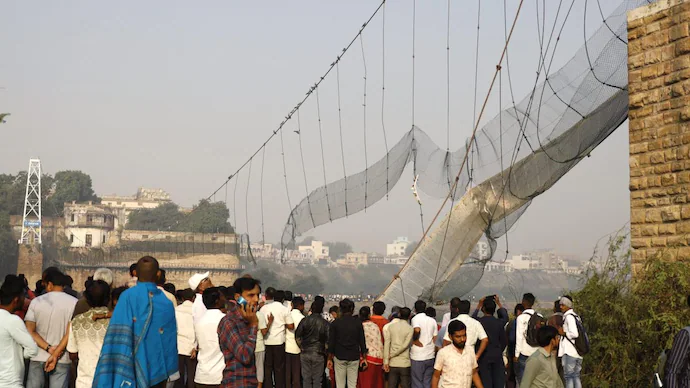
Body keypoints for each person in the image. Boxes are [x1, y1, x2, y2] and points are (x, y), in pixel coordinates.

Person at [92, 256, 178, 388]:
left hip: (128, 369)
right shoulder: (166, 302)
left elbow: (116, 336)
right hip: (158, 371)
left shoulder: (127, 297)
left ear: (136, 273)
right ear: (158, 274)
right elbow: (169, 343)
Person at [25, 269, 77, 388]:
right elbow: (70, 332)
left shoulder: (36, 302)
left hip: (38, 355)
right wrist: (57, 352)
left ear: (49, 284)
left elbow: (29, 330)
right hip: (62, 357)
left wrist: (48, 348)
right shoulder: (74, 303)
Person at [62, 280, 111, 388]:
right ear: (108, 298)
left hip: (84, 381)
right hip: (109, 380)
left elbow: (72, 353)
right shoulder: (116, 322)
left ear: (87, 299)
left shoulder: (77, 321)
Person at [218, 276, 262, 388]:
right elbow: (244, 356)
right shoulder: (229, 322)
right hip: (235, 382)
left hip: (250, 381)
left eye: (258, 295)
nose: (256, 300)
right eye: (251, 295)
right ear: (238, 297)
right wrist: (253, 326)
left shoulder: (249, 319)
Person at [0, 274, 38, 388]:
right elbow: (32, 349)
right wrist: (19, 354)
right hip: (10, 382)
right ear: (16, 300)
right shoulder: (12, 320)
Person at [258, 287, 294, 388]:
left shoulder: (264, 308)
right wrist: (283, 323)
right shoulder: (284, 309)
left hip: (267, 341)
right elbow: (291, 326)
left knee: (267, 368)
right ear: (283, 300)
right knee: (279, 369)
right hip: (279, 342)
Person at [432, 320, 484, 388]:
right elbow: (436, 376)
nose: (462, 339)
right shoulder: (443, 353)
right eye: (458, 337)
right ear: (450, 337)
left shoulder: (470, 351)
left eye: (464, 335)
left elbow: (474, 373)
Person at [328, 298, 367, 388]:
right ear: (352, 309)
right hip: (354, 356)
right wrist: (364, 357)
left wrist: (329, 358)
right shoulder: (357, 323)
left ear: (340, 310)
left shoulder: (335, 323)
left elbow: (331, 343)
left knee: (340, 384)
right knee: (352, 384)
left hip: (339, 356)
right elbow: (362, 341)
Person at [471, 297, 508, 388]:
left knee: (486, 382)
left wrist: (479, 305)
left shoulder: (479, 322)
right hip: (496, 355)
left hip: (483, 356)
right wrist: (499, 303)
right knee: (498, 382)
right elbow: (505, 318)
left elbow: (473, 318)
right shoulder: (499, 322)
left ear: (483, 309)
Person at [194, 288, 227, 388]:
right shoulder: (224, 320)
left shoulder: (199, 321)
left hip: (201, 375)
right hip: (219, 376)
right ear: (217, 301)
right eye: (221, 296)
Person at [295, 296, 329, 388]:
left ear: (311, 309)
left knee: (306, 379)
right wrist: (324, 351)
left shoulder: (304, 320)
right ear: (321, 310)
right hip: (318, 353)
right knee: (318, 380)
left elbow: (297, 336)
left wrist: (302, 347)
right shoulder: (325, 323)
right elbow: (328, 340)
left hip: (305, 352)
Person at [383, 307, 413, 388]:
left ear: (399, 314)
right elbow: (405, 345)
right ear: (409, 316)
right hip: (404, 362)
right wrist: (392, 354)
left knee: (391, 385)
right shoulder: (410, 329)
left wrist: (386, 360)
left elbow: (387, 344)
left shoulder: (391, 327)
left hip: (392, 362)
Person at [410, 300, 438, 388]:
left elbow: (417, 330)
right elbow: (435, 338)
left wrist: (415, 340)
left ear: (415, 309)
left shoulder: (415, 319)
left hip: (418, 356)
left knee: (417, 382)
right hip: (430, 355)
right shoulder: (432, 320)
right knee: (427, 382)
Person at [515, 293, 541, 383]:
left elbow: (519, 337)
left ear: (523, 302)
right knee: (536, 379)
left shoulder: (521, 318)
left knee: (523, 380)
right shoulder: (539, 317)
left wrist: (516, 354)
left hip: (524, 352)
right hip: (537, 352)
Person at [558, 296, 583, 388]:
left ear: (568, 305)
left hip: (570, 351)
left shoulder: (569, 317)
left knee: (568, 376)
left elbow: (574, 334)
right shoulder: (576, 316)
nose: (561, 307)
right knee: (576, 376)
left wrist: (563, 333)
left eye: (563, 305)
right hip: (577, 352)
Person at [357, 306, 384, 388]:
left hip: (367, 358)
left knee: (366, 383)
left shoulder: (360, 326)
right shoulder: (375, 326)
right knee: (377, 383)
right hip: (379, 358)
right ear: (369, 314)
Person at [175, 289, 197, 388]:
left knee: (179, 376)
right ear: (193, 298)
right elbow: (197, 330)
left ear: (182, 298)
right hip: (191, 347)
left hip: (178, 346)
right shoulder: (196, 311)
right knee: (191, 376)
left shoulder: (176, 310)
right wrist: (195, 347)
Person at [286, 297, 306, 388]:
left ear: (292, 305)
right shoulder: (303, 318)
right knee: (296, 375)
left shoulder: (287, 315)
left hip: (286, 347)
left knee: (287, 374)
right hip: (297, 349)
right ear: (301, 306)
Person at [506, 303, 525, 388]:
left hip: (514, 354)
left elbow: (511, 339)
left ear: (517, 312)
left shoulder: (513, 323)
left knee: (515, 377)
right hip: (528, 353)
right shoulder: (530, 320)